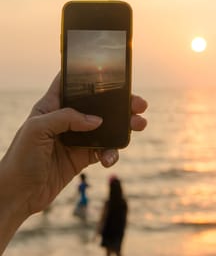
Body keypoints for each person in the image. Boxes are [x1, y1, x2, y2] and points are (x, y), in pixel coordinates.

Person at [0, 73, 147, 255]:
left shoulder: (110, 202)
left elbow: (103, 217)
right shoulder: (123, 203)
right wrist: (17, 197)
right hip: (117, 237)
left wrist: (14, 197)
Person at [98, 176, 128, 256]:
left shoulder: (108, 202)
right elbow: (125, 218)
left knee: (108, 252)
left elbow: (103, 217)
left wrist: (98, 230)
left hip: (108, 229)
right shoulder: (123, 203)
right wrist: (123, 229)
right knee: (118, 251)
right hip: (119, 229)